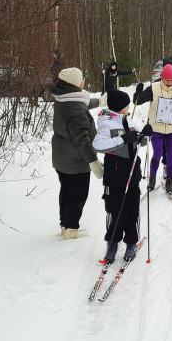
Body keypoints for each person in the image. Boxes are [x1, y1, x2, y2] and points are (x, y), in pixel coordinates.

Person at [93, 91, 148, 262]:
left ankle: (131, 242)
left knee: (132, 210)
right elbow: (98, 145)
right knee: (114, 209)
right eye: (127, 104)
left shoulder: (128, 120)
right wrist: (123, 139)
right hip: (115, 174)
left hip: (132, 173)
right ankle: (112, 241)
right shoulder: (106, 124)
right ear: (119, 107)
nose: (129, 107)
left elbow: (140, 142)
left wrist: (144, 135)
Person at [51, 67, 103, 239]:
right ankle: (71, 230)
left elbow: (82, 103)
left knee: (66, 191)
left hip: (61, 158)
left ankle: (65, 225)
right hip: (76, 162)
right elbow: (82, 141)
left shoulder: (62, 99)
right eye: (81, 80)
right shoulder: (76, 110)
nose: (84, 82)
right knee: (78, 195)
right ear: (74, 84)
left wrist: (100, 102)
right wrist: (93, 162)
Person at [133, 64, 172, 194]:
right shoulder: (154, 88)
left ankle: (169, 180)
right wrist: (138, 93)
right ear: (162, 78)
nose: (169, 83)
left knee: (171, 155)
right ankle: (152, 178)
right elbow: (138, 101)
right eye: (167, 80)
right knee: (158, 153)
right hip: (157, 127)